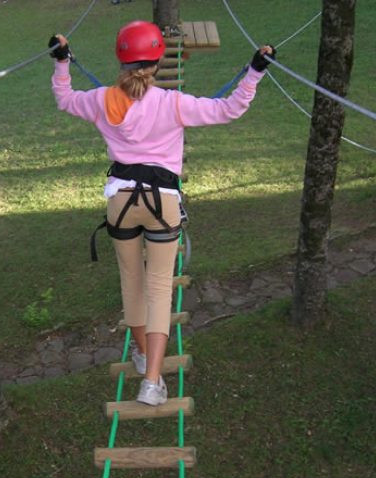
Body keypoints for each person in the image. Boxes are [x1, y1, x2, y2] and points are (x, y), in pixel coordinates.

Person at [48, 21, 275, 406]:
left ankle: (140, 355)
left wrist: (62, 61)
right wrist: (254, 70)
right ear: (158, 59)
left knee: (130, 283)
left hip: (120, 202)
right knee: (157, 289)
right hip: (162, 203)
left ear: (121, 57)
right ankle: (152, 381)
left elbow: (65, 97)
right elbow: (229, 109)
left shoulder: (103, 99)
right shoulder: (173, 103)